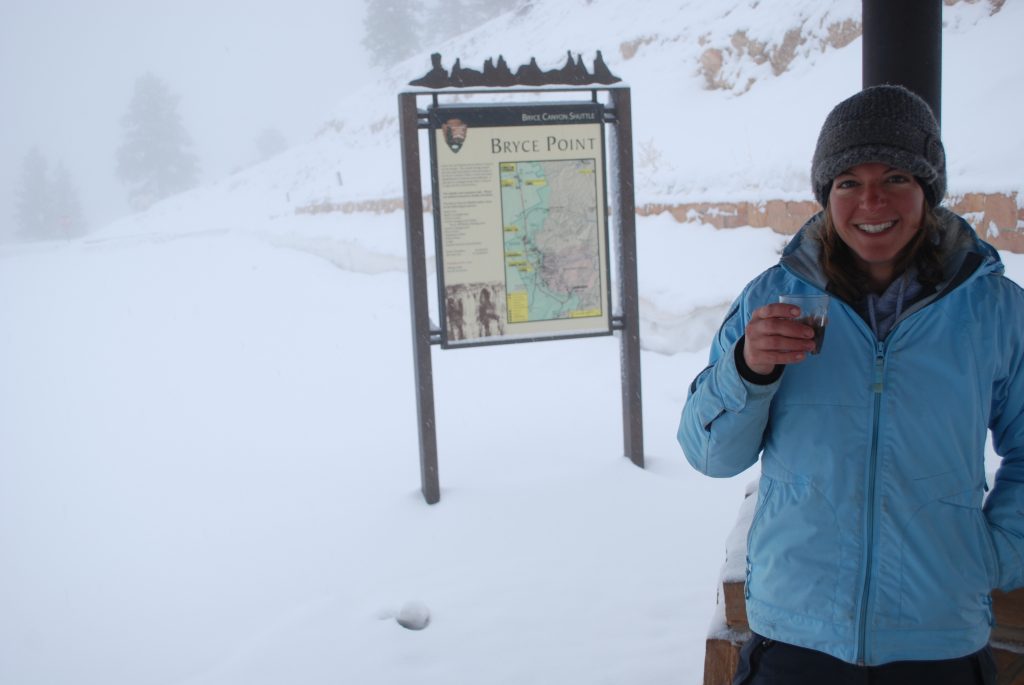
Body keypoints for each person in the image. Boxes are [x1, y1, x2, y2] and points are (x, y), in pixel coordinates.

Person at [677, 84, 1024, 684]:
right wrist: (747, 370)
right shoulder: (774, 299)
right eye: (847, 183)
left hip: (939, 636)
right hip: (795, 634)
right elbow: (709, 455)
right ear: (826, 194)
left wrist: (997, 552)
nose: (871, 200)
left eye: (895, 178)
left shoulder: (991, 308)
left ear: (927, 190)